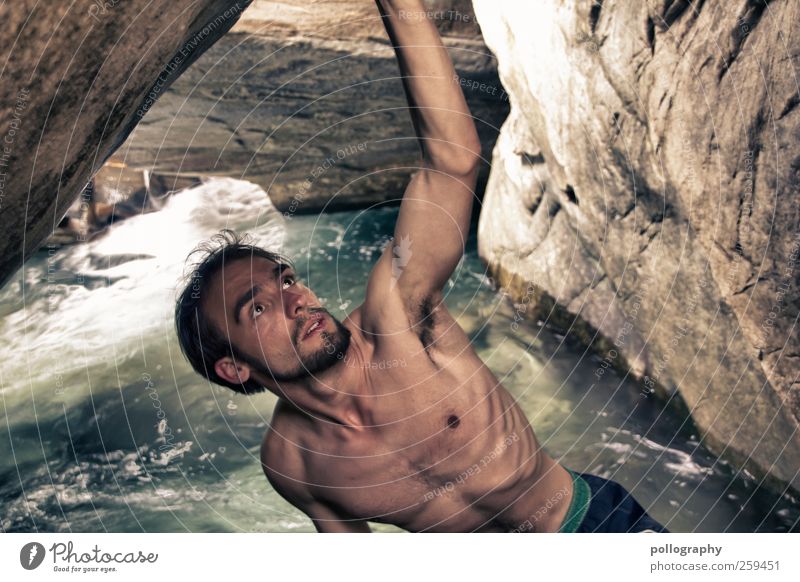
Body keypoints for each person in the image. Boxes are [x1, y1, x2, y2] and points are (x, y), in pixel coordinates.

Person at [174, 0, 668, 533]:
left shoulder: (398, 314)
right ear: (233, 368)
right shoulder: (293, 465)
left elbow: (451, 160)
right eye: (260, 307)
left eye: (287, 279)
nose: (298, 299)